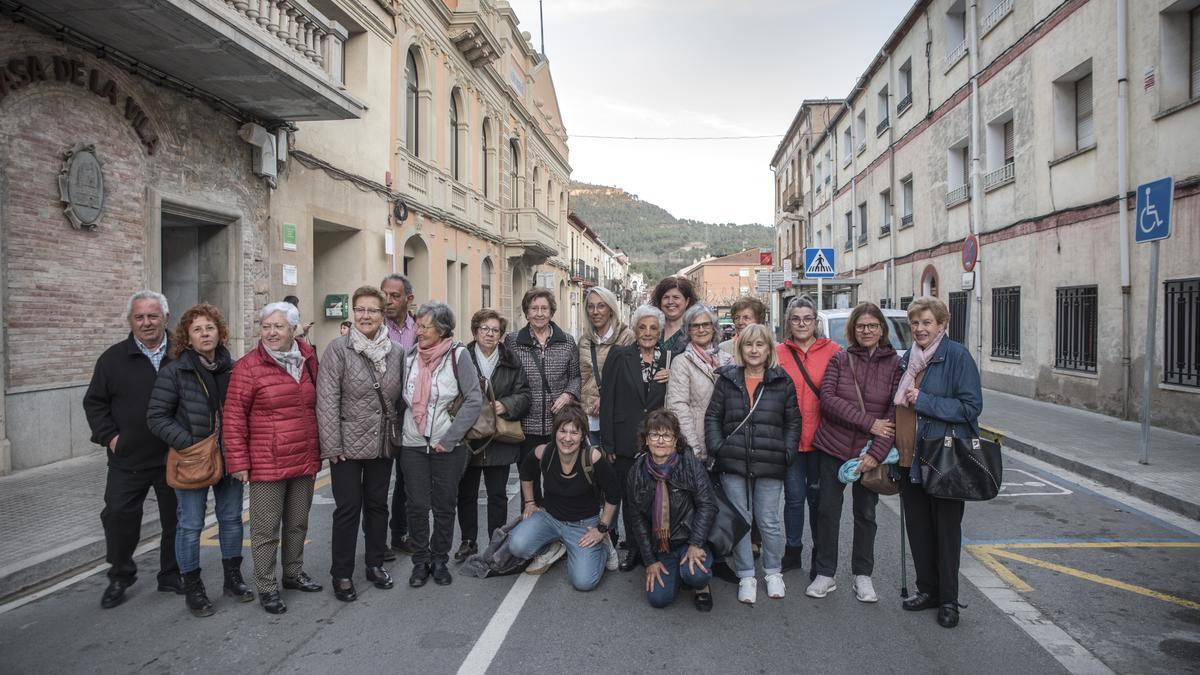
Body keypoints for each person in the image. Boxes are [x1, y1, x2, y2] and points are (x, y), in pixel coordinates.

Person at [146, 303, 251, 617]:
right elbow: (156, 417)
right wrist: (190, 444)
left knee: (231, 520)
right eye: (197, 330)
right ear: (187, 338)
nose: (205, 334)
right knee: (190, 525)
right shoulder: (175, 371)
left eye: (210, 328)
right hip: (192, 461)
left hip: (229, 459)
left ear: (219, 332)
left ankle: (233, 578)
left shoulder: (234, 368)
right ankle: (193, 586)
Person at [84, 290, 182, 609]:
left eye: (153, 316)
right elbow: (95, 404)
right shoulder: (112, 359)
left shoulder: (182, 354)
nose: (146, 323)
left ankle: (171, 574)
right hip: (128, 458)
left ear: (166, 318)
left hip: (174, 457)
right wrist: (112, 438)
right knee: (118, 515)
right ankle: (120, 574)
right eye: (139, 317)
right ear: (130, 321)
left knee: (177, 519)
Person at [222, 302, 323, 615]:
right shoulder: (247, 366)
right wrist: (237, 461)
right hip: (267, 462)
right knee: (266, 530)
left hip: (304, 455)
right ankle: (266, 586)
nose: (271, 332)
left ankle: (292, 574)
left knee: (297, 523)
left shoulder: (307, 360)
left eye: (278, 326)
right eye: (266, 327)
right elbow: (234, 417)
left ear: (293, 329)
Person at [806, 302, 901, 604]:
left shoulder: (896, 365)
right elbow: (829, 401)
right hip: (833, 447)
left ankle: (863, 576)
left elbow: (895, 414)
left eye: (873, 325)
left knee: (866, 513)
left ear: (882, 329)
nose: (867, 330)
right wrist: (870, 423)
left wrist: (877, 453)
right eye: (861, 326)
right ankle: (825, 573)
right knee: (827, 512)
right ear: (853, 330)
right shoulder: (840, 360)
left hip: (869, 454)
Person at [895, 296, 982, 629]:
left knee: (946, 532)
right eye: (915, 323)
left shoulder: (957, 356)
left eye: (927, 322)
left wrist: (926, 401)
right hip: (910, 458)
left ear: (942, 325)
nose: (919, 329)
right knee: (919, 530)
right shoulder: (910, 359)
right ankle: (926, 590)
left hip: (944, 460)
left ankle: (948, 600)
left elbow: (971, 408)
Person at [316, 285, 405, 602]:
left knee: (378, 506)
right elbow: (326, 401)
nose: (366, 316)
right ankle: (341, 573)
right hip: (347, 446)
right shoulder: (338, 350)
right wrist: (332, 446)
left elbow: (400, 399)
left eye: (373, 310)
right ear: (353, 313)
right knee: (348, 508)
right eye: (360, 310)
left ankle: (375, 563)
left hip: (382, 443)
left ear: (383, 315)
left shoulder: (396, 352)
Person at [705, 323, 800, 605]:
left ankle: (772, 571)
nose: (754, 350)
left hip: (770, 461)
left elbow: (793, 422)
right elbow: (713, 417)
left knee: (768, 520)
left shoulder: (782, 381)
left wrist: (787, 453)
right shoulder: (727, 380)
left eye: (760, 345)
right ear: (740, 349)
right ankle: (746, 574)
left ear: (769, 349)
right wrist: (718, 448)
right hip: (733, 461)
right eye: (748, 345)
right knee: (742, 520)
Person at [399, 301, 483, 588]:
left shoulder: (459, 356)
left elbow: (474, 399)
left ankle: (439, 559)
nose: (418, 331)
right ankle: (420, 561)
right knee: (417, 505)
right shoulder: (409, 357)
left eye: (425, 326)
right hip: (412, 443)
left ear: (442, 329)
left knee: (445, 505)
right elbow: (401, 400)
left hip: (448, 444)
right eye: (417, 325)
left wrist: (450, 438)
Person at [508, 405, 620, 592]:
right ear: (555, 432)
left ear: (583, 435)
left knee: (584, 582)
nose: (567, 438)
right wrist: (529, 502)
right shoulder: (544, 452)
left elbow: (614, 493)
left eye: (574, 433)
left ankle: (604, 547)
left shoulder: (592, 457)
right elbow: (526, 472)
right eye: (563, 431)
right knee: (517, 546)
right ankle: (553, 546)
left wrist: (602, 528)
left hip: (583, 524)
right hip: (549, 519)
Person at [456, 309, 532, 561]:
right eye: (484, 329)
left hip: (498, 438)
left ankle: (495, 540)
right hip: (468, 437)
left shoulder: (511, 360)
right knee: (466, 494)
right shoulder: (461, 357)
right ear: (475, 331)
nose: (489, 334)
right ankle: (468, 541)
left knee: (497, 494)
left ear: (501, 334)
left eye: (495, 330)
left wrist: (506, 405)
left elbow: (524, 394)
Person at [600, 304, 670, 572]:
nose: (648, 332)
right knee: (629, 498)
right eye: (643, 327)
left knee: (656, 496)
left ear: (660, 331)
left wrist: (671, 376)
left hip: (657, 441)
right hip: (624, 439)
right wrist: (608, 442)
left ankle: (654, 546)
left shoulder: (670, 359)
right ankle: (633, 547)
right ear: (635, 329)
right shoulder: (620, 355)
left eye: (653, 328)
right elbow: (607, 400)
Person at [625, 410, 717, 611]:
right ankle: (678, 574)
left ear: (676, 440)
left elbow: (707, 504)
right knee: (658, 599)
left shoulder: (689, 463)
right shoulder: (637, 472)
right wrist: (650, 561)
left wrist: (696, 543)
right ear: (646, 440)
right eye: (654, 435)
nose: (660, 440)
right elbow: (637, 518)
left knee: (696, 575)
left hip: (689, 540)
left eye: (666, 435)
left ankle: (701, 586)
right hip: (663, 547)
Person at [777, 295, 841, 574]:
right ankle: (793, 550)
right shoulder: (777, 353)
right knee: (793, 498)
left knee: (818, 500)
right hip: (789, 439)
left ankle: (820, 553)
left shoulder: (835, 351)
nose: (801, 323)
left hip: (823, 439)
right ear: (788, 323)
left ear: (815, 322)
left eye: (807, 318)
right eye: (795, 318)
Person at [666, 304, 732, 462]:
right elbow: (678, 407)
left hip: (727, 443)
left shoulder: (727, 359)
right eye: (695, 326)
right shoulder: (682, 362)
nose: (701, 329)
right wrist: (693, 449)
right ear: (688, 331)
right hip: (700, 444)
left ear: (714, 328)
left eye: (705, 324)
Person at [381, 273, 417, 560]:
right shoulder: (373, 329)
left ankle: (400, 533)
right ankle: (377, 541)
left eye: (394, 296)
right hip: (380, 414)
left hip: (410, 413)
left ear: (409, 299)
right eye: (385, 295)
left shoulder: (420, 330)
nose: (388, 301)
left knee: (407, 480)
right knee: (378, 483)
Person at [577, 286, 634, 446]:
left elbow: (630, 379)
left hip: (617, 418)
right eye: (591, 306)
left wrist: (606, 398)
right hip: (589, 419)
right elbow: (581, 377)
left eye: (601, 306)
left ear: (610, 309)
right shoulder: (584, 341)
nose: (595, 311)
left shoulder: (627, 337)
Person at [650, 276, 697, 355]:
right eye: (666, 297)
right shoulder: (652, 330)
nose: (670, 302)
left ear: (687, 301)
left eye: (676, 297)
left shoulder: (694, 333)